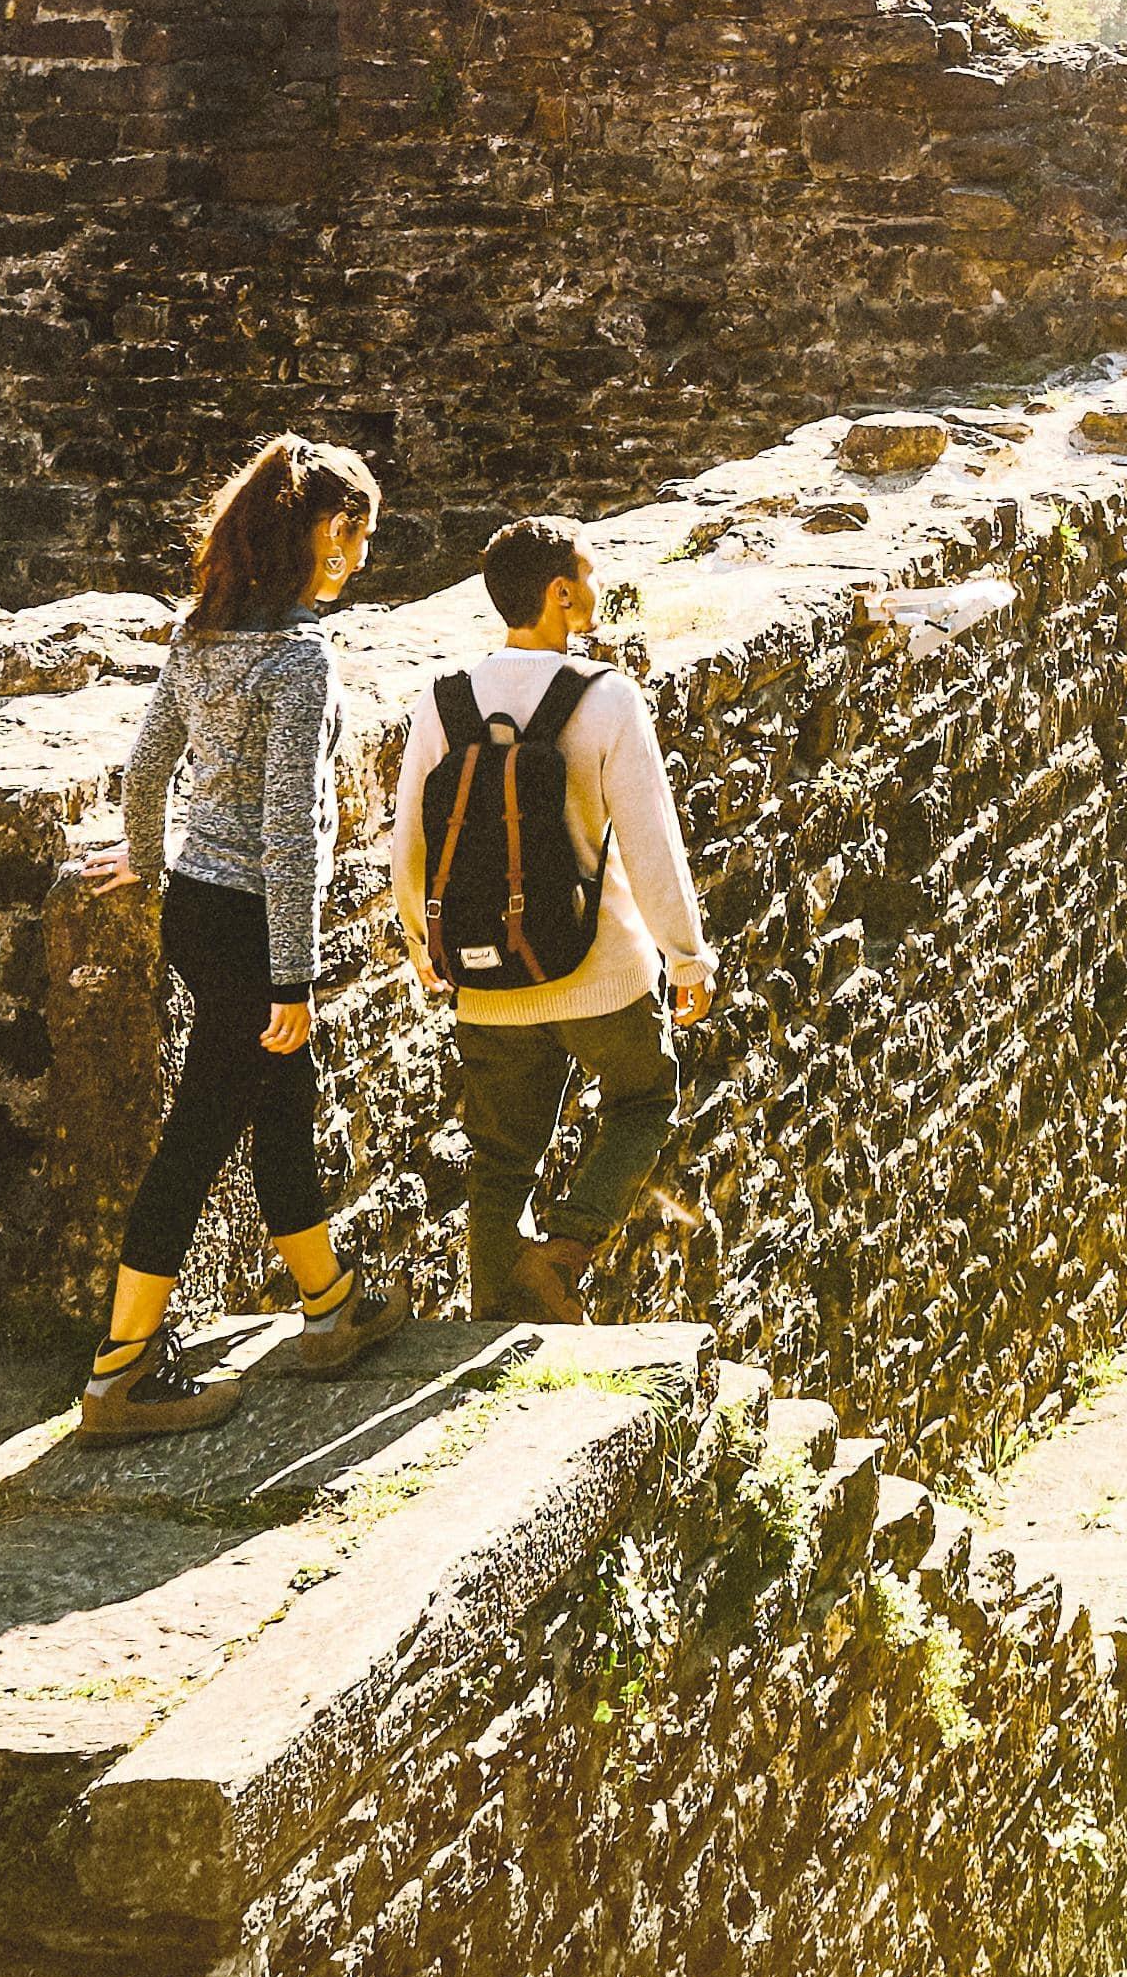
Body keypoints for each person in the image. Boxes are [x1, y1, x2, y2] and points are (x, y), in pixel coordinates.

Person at [78, 431, 405, 1438]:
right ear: (310, 534)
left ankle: (330, 1305)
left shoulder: (199, 636)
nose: (354, 556)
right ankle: (121, 1370)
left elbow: (145, 772)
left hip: (193, 906)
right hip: (257, 925)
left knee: (281, 1108)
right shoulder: (300, 660)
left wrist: (145, 852)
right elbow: (290, 829)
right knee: (199, 1137)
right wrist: (295, 979)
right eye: (348, 535)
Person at [390, 513, 714, 1320]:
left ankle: (497, 1309)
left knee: (500, 1160)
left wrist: (427, 949)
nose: (599, 590)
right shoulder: (605, 699)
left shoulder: (444, 701)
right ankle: (564, 1251)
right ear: (561, 593)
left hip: (484, 973)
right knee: (644, 1104)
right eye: (591, 575)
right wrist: (686, 956)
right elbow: (650, 845)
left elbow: (410, 845)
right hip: (600, 973)